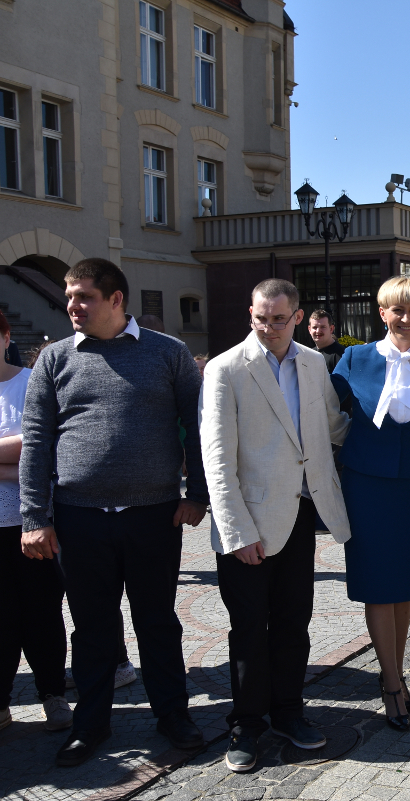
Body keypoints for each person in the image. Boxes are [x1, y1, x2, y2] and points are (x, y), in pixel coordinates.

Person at [20, 258, 207, 767]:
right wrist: (35, 517)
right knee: (92, 627)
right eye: (69, 295)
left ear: (116, 300)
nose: (72, 306)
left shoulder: (168, 353)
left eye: (83, 296)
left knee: (157, 622)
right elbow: (37, 440)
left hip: (154, 515)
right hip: (79, 519)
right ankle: (91, 724)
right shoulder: (54, 360)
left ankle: (172, 715)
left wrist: (198, 496)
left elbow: (197, 426)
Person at [202, 279, 351, 772]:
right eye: (261, 319)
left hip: (300, 514)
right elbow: (216, 459)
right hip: (249, 524)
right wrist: (236, 532)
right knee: (248, 630)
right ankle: (246, 725)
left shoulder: (311, 363)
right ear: (251, 314)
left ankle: (289, 712)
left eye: (279, 320)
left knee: (294, 624)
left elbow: (332, 425)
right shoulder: (226, 369)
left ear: (297, 315)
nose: (269, 329)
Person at [329, 277, 410, 735]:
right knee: (380, 585)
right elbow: (322, 412)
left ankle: (394, 675)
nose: (406, 318)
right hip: (366, 485)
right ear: (382, 313)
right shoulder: (355, 357)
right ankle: (393, 687)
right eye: (397, 310)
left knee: (405, 586)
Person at [1, 311, 71, 733]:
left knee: (42, 613)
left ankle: (53, 693)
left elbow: (40, 448)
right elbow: (23, 453)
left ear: (6, 335)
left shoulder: (28, 383)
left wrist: (24, 459)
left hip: (31, 520)